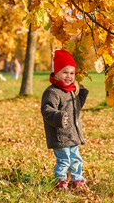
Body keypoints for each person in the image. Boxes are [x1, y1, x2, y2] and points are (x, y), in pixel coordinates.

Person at [41, 49, 89, 192]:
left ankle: (77, 179)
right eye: (65, 72)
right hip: (60, 135)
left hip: (73, 135)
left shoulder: (71, 90)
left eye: (72, 73)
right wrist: (59, 117)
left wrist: (81, 96)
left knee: (76, 159)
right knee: (63, 160)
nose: (69, 76)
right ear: (56, 73)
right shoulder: (52, 92)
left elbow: (75, 109)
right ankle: (60, 181)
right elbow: (47, 110)